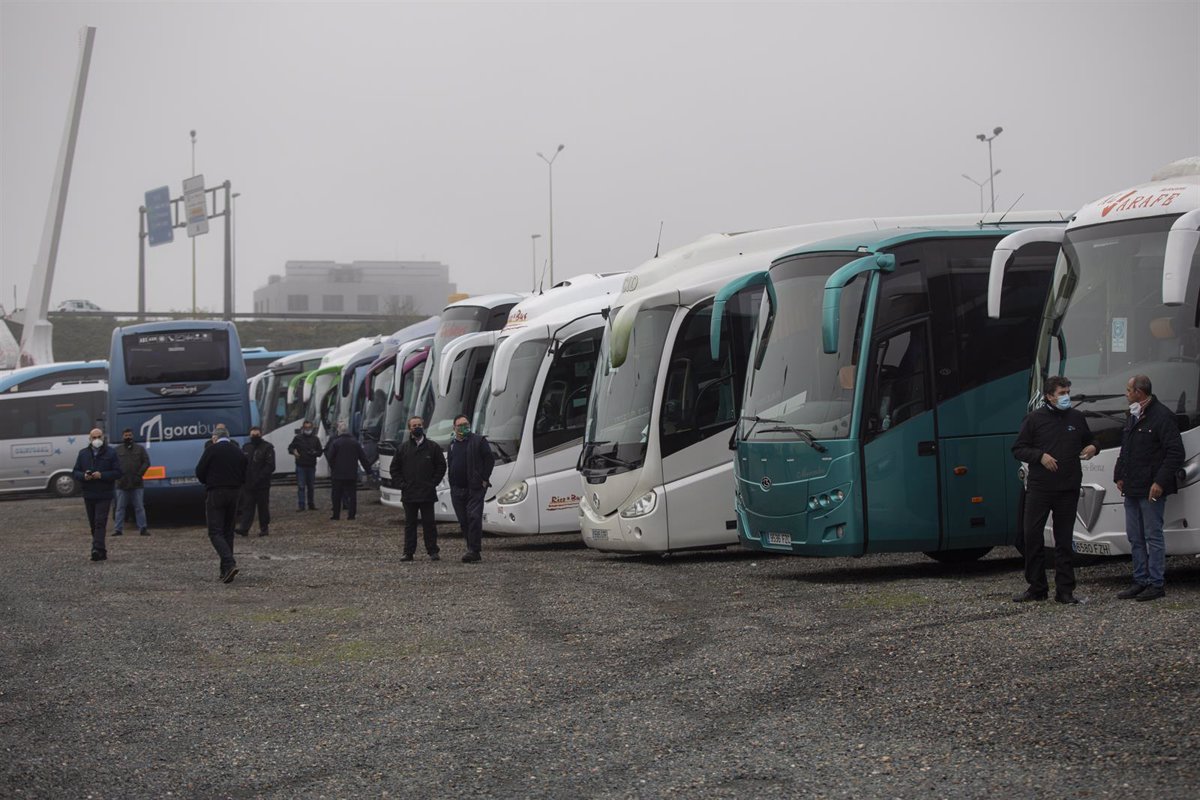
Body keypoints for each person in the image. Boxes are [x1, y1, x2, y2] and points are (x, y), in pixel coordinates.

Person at [1011, 376, 1098, 604]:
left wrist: (1093, 447)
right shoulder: (1034, 419)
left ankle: (1065, 590)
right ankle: (1037, 587)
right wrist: (1040, 456)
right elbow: (1018, 448)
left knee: (1064, 540)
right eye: (1062, 393)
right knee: (1032, 535)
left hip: (1068, 487)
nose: (1066, 396)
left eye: (1068, 391)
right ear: (1049, 396)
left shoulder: (1076, 417)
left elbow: (1091, 440)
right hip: (1040, 488)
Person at [1113, 374, 1185, 602]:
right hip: (1132, 487)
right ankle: (1140, 580)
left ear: (1139, 392)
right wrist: (1119, 475)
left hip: (1151, 488)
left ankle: (1156, 583)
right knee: (1135, 537)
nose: (1126, 394)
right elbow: (1125, 448)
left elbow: (1176, 452)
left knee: (1153, 536)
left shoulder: (1162, 416)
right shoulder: (1133, 415)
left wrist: (1160, 482)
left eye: (1128, 390)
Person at [195, 424, 247, 583]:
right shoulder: (237, 451)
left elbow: (199, 471)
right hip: (234, 493)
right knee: (228, 531)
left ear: (215, 437)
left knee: (215, 532)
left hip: (216, 492)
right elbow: (245, 470)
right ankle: (225, 570)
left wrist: (208, 481)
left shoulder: (211, 450)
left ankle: (229, 563)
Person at [389, 415, 447, 561]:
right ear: (409, 429)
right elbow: (394, 469)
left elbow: (441, 466)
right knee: (410, 525)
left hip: (427, 493)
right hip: (409, 494)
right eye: (414, 426)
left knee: (429, 524)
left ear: (423, 426)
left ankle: (433, 551)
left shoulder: (433, 447)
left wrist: (433, 482)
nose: (417, 428)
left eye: (419, 425)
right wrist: (402, 484)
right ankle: (408, 552)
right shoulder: (403, 448)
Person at [446, 413, 494, 563]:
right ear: (454, 427)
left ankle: (474, 550)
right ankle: (471, 548)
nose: (464, 427)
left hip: (475, 488)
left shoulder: (479, 441)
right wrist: (452, 483)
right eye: (460, 425)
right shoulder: (452, 445)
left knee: (474, 517)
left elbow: (489, 459)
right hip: (457, 490)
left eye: (466, 425)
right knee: (463, 521)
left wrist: (484, 479)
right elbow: (451, 464)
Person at [72, 427, 121, 561]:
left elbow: (118, 472)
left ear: (103, 437)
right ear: (90, 439)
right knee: (93, 524)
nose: (97, 440)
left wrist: (102, 475)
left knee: (100, 522)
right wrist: (84, 476)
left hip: (104, 494)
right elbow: (75, 472)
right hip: (89, 494)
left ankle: (96, 549)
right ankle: (101, 551)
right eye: (94, 437)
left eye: (99, 437)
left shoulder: (111, 453)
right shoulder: (83, 454)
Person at [324, 421, 371, 520]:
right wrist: (368, 471)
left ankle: (336, 515)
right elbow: (363, 458)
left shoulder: (335, 443)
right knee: (352, 495)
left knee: (336, 495)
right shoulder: (355, 443)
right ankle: (351, 515)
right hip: (351, 473)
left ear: (339, 431)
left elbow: (330, 457)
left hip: (338, 474)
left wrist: (333, 468)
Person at [237, 425, 275, 537]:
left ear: (261, 434)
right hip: (248, 483)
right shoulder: (246, 447)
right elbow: (242, 463)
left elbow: (270, 465)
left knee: (263, 507)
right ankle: (244, 528)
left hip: (262, 484)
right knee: (247, 506)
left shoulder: (267, 447)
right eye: (253, 435)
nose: (255, 437)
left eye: (257, 435)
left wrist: (260, 477)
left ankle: (264, 528)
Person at [113, 427, 150, 537]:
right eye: (126, 435)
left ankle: (143, 528)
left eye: (129, 435)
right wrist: (118, 476)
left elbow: (146, 462)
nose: (128, 437)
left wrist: (139, 474)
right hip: (122, 484)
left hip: (137, 483)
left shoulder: (140, 449)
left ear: (132, 436)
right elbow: (112, 464)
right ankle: (118, 529)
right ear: (122, 436)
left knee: (139, 507)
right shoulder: (117, 450)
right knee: (120, 508)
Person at [288, 420, 323, 511]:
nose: (308, 429)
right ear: (303, 428)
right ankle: (301, 505)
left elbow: (320, 452)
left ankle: (311, 504)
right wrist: (294, 452)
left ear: (312, 428)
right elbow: (290, 448)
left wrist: (314, 453)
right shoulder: (298, 438)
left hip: (311, 465)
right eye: (306, 428)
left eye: (309, 427)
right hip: (301, 465)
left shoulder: (315, 439)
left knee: (311, 486)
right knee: (301, 486)